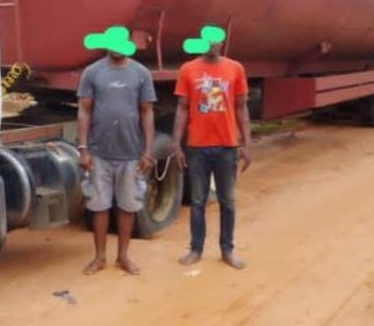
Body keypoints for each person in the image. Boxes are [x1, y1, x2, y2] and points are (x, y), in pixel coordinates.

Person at [77, 26, 156, 275]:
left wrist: (147, 151)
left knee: (127, 206)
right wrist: (83, 148)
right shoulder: (93, 72)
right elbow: (84, 110)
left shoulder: (140, 73)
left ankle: (123, 256)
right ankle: (100, 257)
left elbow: (146, 111)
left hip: (131, 153)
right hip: (99, 152)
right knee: (99, 206)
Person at [172, 25, 252, 269]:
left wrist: (246, 143)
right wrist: (177, 144)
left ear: (222, 43)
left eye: (216, 40)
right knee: (198, 201)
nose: (211, 44)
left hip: (227, 145)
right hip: (197, 146)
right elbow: (182, 109)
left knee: (227, 201)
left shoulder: (235, 68)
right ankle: (196, 249)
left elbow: (241, 107)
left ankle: (227, 249)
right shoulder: (188, 70)